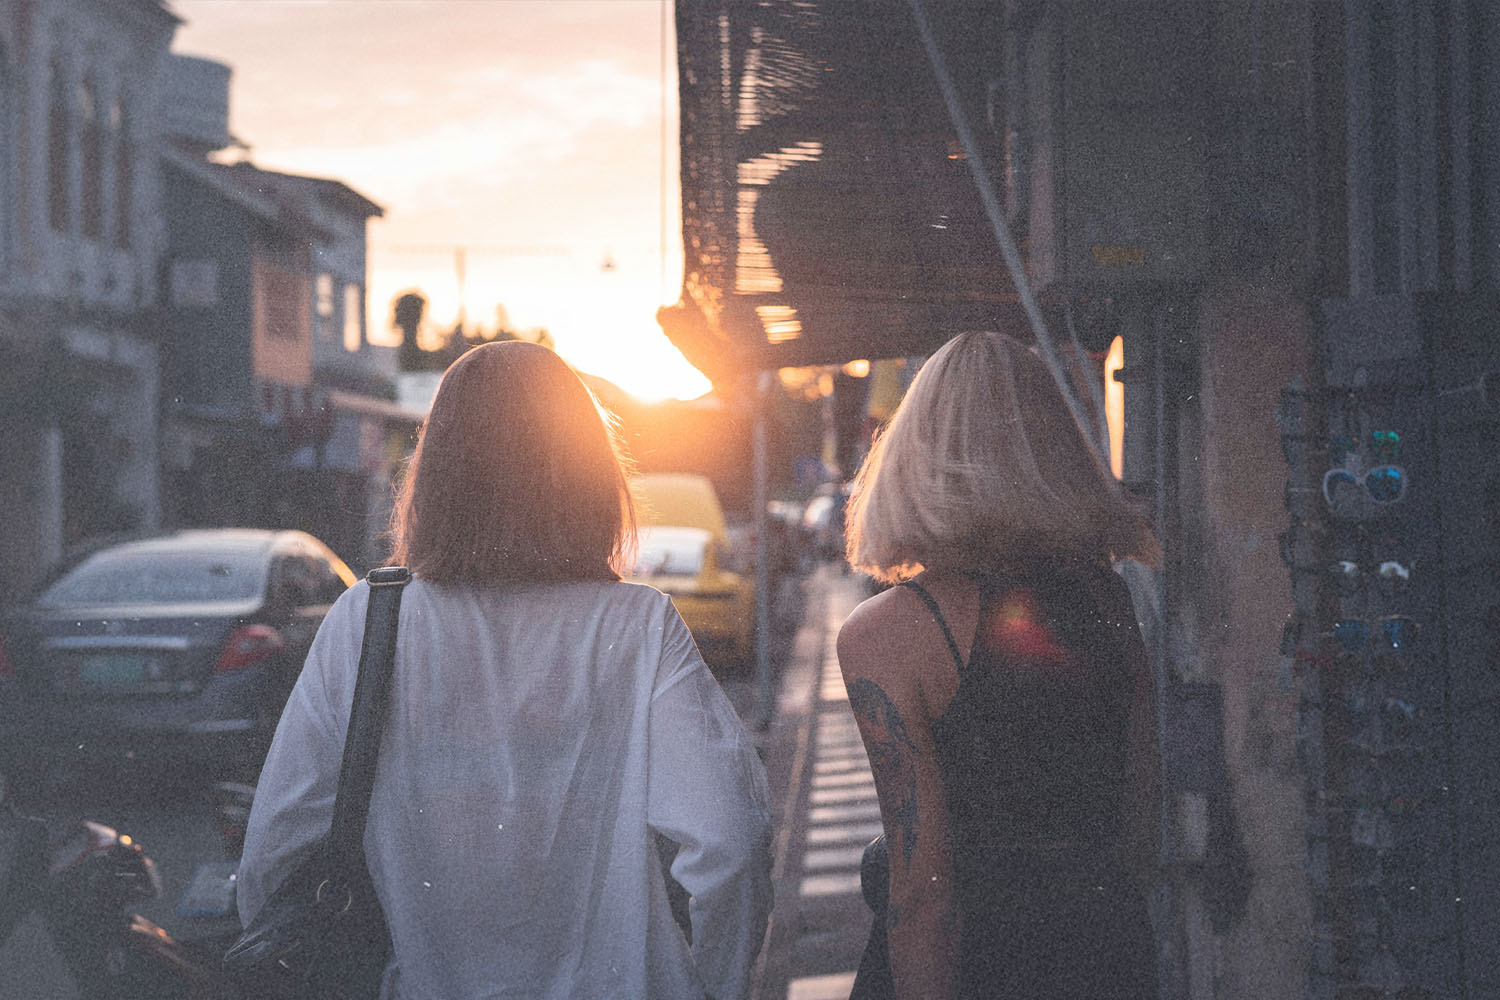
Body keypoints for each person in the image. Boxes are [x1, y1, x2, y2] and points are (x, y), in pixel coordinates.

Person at [236, 341, 773, 1000]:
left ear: (436, 473)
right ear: (586, 474)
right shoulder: (639, 626)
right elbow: (731, 847)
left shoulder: (368, 622)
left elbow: (274, 850)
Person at [837, 331, 1162, 1000]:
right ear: (1054, 455)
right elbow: (1141, 818)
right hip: (1102, 957)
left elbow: (926, 900)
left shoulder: (888, 633)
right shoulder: (1111, 598)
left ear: (913, 458)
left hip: (975, 971)